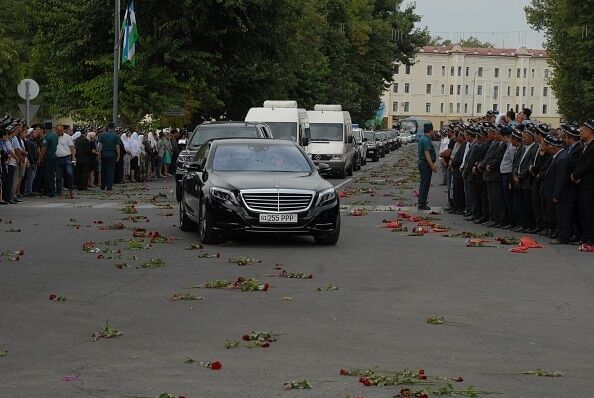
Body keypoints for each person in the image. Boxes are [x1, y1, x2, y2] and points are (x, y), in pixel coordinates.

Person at [542, 134, 576, 244]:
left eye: (545, 145)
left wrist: (556, 195)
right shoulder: (558, 156)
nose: (543, 147)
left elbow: (561, 179)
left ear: (552, 146)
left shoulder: (562, 158)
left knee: (563, 217)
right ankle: (560, 234)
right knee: (559, 215)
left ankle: (563, 237)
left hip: (564, 195)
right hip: (560, 194)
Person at [571, 119, 594, 246]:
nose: (580, 132)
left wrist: (576, 175)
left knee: (589, 212)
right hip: (582, 184)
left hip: (589, 185)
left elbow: (589, 164)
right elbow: (579, 162)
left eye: (583, 130)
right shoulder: (584, 145)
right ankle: (585, 236)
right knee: (583, 212)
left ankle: (591, 238)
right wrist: (575, 175)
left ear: (590, 131)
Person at [515, 127, 539, 233]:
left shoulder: (535, 148)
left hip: (527, 181)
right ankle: (523, 224)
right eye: (522, 137)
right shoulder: (524, 148)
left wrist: (520, 175)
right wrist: (515, 174)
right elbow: (517, 163)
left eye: (525, 137)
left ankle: (530, 225)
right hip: (519, 180)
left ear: (531, 137)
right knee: (521, 205)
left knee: (528, 205)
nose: (523, 139)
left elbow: (530, 165)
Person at [417, 123, 437, 210]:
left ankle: (421, 201)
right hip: (425, 164)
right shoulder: (426, 140)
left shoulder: (422, 138)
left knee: (423, 183)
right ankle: (422, 203)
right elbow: (427, 153)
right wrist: (432, 166)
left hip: (423, 163)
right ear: (431, 131)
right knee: (425, 184)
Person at [55, 124, 76, 198]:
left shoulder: (67, 137)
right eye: (59, 131)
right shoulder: (54, 137)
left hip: (66, 157)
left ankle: (71, 190)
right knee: (58, 176)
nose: (60, 132)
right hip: (57, 158)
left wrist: (73, 157)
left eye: (61, 130)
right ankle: (59, 191)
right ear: (56, 130)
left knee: (69, 173)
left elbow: (72, 147)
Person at [98, 123, 121, 191]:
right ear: (114, 128)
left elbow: (100, 146)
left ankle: (103, 185)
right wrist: (118, 155)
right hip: (112, 154)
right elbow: (117, 147)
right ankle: (109, 186)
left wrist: (99, 154)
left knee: (103, 170)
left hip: (104, 153)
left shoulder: (103, 135)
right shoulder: (116, 136)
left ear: (107, 127)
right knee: (111, 171)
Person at [24, 124, 42, 196]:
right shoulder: (29, 141)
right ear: (30, 134)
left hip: (34, 161)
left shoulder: (35, 141)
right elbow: (29, 153)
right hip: (32, 161)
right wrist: (32, 162)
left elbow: (37, 152)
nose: (36, 134)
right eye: (34, 133)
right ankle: (27, 191)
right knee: (30, 177)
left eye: (36, 133)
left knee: (32, 176)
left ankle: (30, 190)